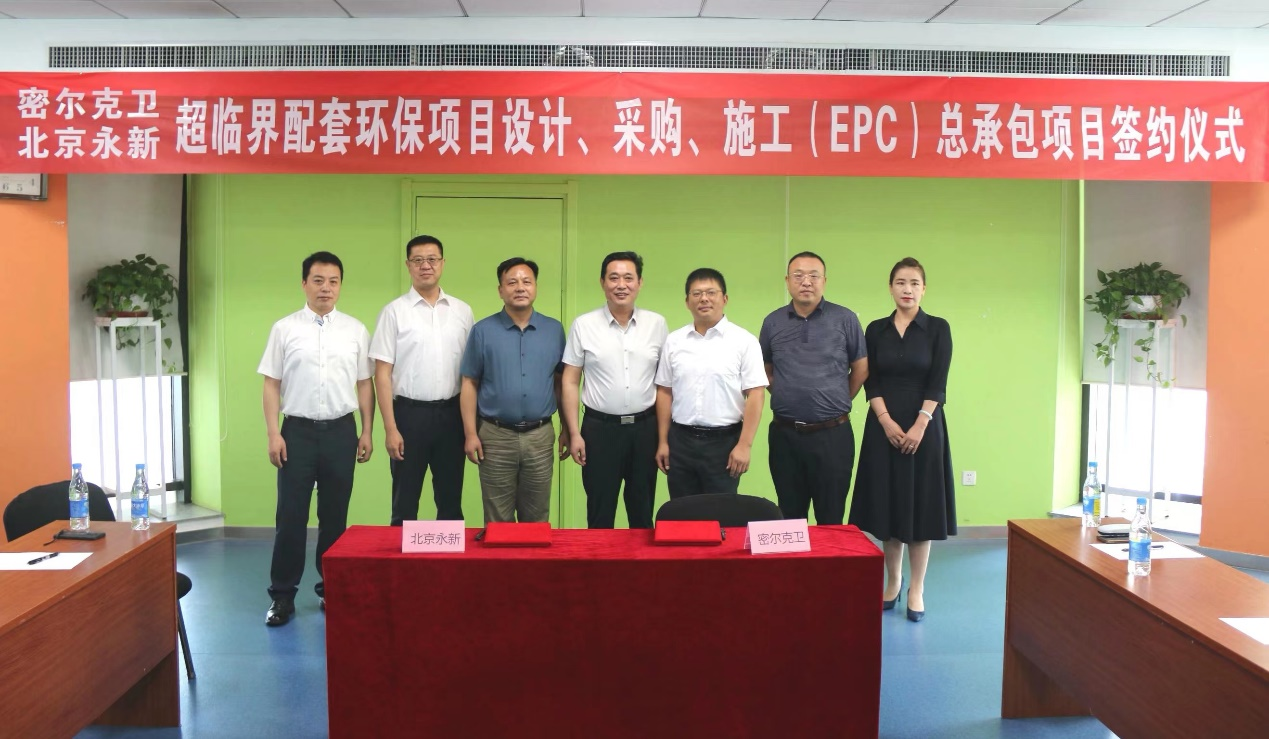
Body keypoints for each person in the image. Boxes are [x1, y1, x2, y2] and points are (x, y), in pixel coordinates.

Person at [258, 251, 374, 627]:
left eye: (333, 281)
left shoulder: (355, 330)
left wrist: (367, 430)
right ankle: (282, 596)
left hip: (341, 431)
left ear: (340, 286)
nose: (326, 288)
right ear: (304, 283)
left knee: (334, 517)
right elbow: (271, 384)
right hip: (297, 433)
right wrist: (274, 433)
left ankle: (331, 589)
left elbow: (364, 384)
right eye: (319, 280)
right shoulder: (284, 329)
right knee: (290, 517)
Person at [849, 257, 955, 623]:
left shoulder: (938, 328)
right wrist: (885, 421)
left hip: (925, 426)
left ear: (924, 289)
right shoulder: (876, 329)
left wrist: (920, 425)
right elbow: (871, 381)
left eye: (913, 283)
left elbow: (938, 382)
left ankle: (917, 588)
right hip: (883, 427)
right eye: (900, 282)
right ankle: (893, 581)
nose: (907, 289)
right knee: (888, 504)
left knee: (921, 507)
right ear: (890, 287)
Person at [370, 235, 474, 525]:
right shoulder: (393, 312)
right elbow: (382, 374)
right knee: (404, 501)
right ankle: (401, 557)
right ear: (408, 265)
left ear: (442, 263)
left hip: (451, 415)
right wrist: (390, 428)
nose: (425, 266)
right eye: (418, 260)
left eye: (432, 259)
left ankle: (448, 556)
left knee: (450, 499)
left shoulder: (463, 311)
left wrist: (470, 428)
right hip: (408, 416)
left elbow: (470, 373)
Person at [759, 251, 868, 524]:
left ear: (824, 281)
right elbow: (765, 370)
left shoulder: (845, 319)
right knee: (790, 516)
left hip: (833, 435)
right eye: (798, 275)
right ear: (787, 281)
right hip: (785, 435)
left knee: (831, 519)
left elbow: (861, 367)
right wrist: (788, 393)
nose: (806, 281)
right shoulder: (772, 322)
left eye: (813, 276)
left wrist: (837, 398)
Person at [561, 252, 668, 528]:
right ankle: (599, 559)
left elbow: (665, 385)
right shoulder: (584, 325)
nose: (621, 285)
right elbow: (570, 381)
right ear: (602, 282)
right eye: (614, 278)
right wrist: (574, 433)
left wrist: (664, 438)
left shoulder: (657, 324)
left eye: (628, 278)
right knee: (600, 513)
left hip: (645, 430)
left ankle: (640, 559)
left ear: (640, 283)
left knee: (642, 514)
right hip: (599, 430)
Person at [459, 257, 566, 524]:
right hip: (494, 437)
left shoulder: (554, 330)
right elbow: (469, 383)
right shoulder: (482, 331)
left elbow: (561, 383)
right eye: (512, 282)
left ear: (535, 287)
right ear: (500, 290)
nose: (520, 287)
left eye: (527, 281)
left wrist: (567, 429)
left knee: (537, 517)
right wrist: (470, 434)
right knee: (497, 520)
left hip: (540, 436)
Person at [654, 268, 767, 498]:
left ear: (724, 299)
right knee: (682, 512)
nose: (704, 299)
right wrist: (663, 442)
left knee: (721, 513)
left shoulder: (744, 341)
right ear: (687, 302)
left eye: (711, 292)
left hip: (724, 444)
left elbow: (756, 394)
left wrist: (744, 445)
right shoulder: (674, 341)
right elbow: (665, 392)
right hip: (680, 442)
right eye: (696, 294)